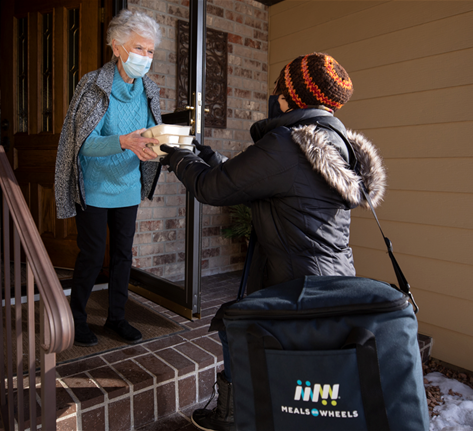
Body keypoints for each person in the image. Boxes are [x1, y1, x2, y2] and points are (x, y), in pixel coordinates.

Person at [160, 53, 387, 431]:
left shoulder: (286, 143)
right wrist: (205, 153)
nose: (274, 94)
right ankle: (244, 413)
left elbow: (211, 187)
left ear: (290, 97)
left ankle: (239, 415)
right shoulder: (328, 140)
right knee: (254, 338)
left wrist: (177, 155)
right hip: (330, 278)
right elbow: (261, 180)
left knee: (251, 338)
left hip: (298, 283)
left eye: (279, 88)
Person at [54, 9, 163, 347]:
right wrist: (124, 141)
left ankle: (117, 317)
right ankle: (76, 317)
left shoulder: (149, 89)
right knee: (91, 254)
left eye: (150, 51)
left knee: (122, 255)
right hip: (96, 187)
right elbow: (82, 144)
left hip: (128, 186)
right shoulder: (93, 85)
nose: (145, 57)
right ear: (117, 47)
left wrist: (154, 145)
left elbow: (148, 133)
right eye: (139, 48)